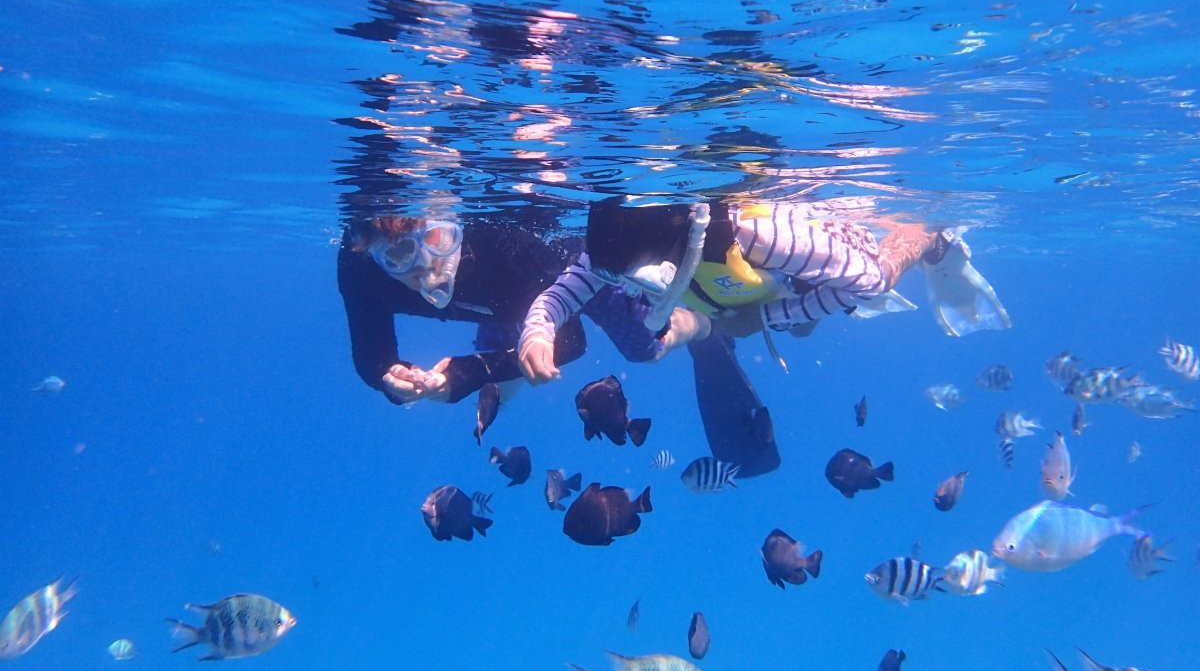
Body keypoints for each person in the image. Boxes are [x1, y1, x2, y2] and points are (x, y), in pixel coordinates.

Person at [517, 196, 1011, 384]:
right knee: (784, 325)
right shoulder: (622, 244)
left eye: (640, 279)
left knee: (843, 301)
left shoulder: (759, 237)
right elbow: (565, 294)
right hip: (735, 289)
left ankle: (924, 236)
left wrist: (768, 318)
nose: (632, 292)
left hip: (823, 261)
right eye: (619, 280)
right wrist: (537, 333)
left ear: (675, 250)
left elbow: (865, 283)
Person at [337, 214, 704, 406]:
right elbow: (372, 356)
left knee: (644, 348)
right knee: (498, 389)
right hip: (507, 304)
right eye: (398, 257)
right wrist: (389, 377)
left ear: (450, 221)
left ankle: (706, 323)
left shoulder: (502, 244)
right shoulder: (363, 269)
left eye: (435, 239)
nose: (426, 267)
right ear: (376, 257)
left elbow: (571, 341)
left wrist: (472, 371)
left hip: (574, 277)